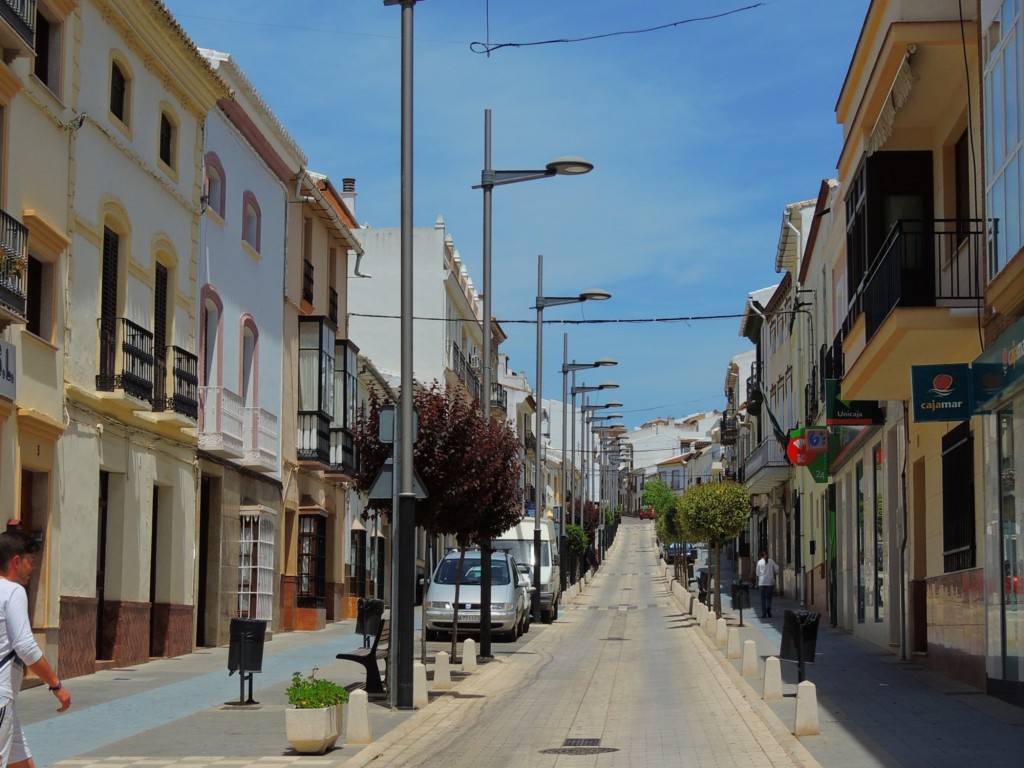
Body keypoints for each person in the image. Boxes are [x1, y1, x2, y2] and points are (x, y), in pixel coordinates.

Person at [0, 531, 70, 767]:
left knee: (22, 764)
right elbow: (25, 647)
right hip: (1, 696)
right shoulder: (13, 592)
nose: (33, 568)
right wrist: (56, 685)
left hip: (6, 700)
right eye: (31, 562)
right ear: (16, 561)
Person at [755, 548, 780, 619]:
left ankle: (764, 613)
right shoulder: (771, 561)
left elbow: (757, 573)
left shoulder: (759, 562)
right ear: (766, 555)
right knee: (769, 597)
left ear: (761, 556)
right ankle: (768, 608)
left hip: (762, 582)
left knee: (763, 598)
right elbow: (777, 569)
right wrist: (774, 574)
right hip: (770, 582)